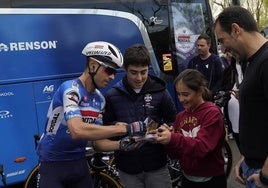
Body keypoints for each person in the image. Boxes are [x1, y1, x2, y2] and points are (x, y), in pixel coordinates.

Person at [36, 41, 147, 188]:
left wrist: (121, 145)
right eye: (109, 70)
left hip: (78, 164)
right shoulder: (70, 89)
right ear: (93, 65)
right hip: (53, 165)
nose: (113, 77)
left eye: (115, 72)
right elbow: (77, 130)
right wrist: (125, 129)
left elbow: (97, 143)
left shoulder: (99, 99)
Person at [93, 43, 177, 188]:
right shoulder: (112, 95)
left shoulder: (160, 91)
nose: (139, 78)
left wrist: (166, 130)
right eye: (133, 72)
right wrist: (116, 128)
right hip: (127, 168)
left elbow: (174, 121)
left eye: (143, 72)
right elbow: (104, 131)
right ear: (125, 69)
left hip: (156, 165)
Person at [214, 6, 268, 188]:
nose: (222, 49)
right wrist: (246, 157)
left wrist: (265, 176)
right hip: (253, 165)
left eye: (222, 40)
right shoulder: (253, 61)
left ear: (236, 30)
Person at [151, 69, 227, 188]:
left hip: (211, 179)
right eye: (179, 94)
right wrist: (166, 139)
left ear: (200, 91)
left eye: (185, 94)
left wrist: (174, 138)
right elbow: (175, 155)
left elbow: (203, 147)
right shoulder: (180, 116)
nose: (181, 99)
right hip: (187, 178)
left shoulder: (212, 113)